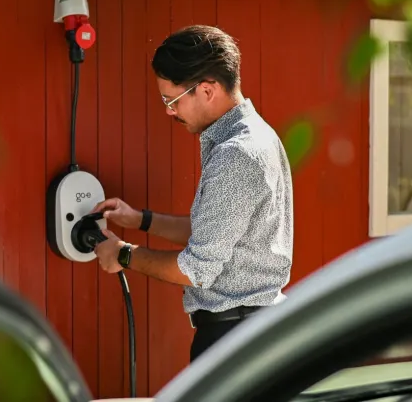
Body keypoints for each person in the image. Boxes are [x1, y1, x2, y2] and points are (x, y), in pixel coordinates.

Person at [91, 24, 294, 362]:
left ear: (208, 90)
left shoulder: (236, 154)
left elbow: (197, 269)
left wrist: (123, 255)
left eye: (172, 100)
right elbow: (216, 235)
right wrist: (140, 220)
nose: (169, 111)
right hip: (253, 334)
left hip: (234, 343)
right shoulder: (258, 135)